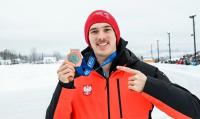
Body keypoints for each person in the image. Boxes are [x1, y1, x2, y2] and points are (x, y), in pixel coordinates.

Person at [46, 10, 200, 119]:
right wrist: (64, 86)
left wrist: (149, 86)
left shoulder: (142, 72)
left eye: (107, 29)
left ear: (116, 35)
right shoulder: (75, 75)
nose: (101, 36)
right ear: (88, 38)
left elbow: (195, 111)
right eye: (94, 31)